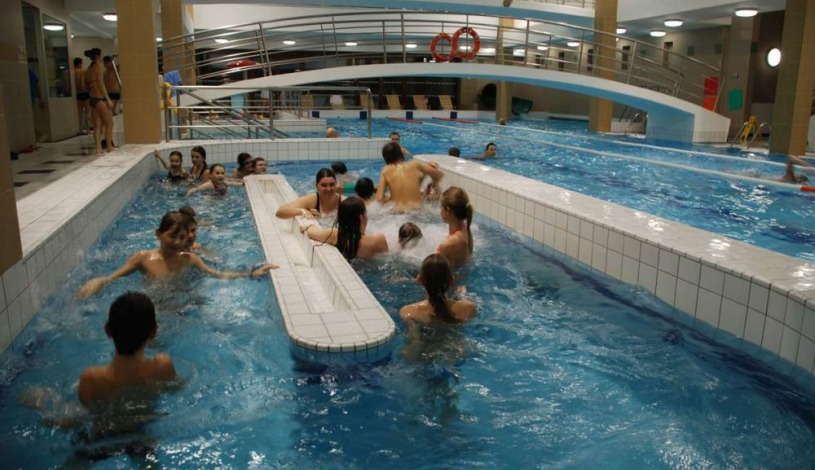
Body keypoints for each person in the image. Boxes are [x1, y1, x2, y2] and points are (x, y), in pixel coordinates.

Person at [76, 210, 277, 299]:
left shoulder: (189, 259)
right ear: (158, 234)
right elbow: (112, 278)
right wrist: (97, 282)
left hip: (183, 306)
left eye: (182, 237)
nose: (178, 242)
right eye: (172, 236)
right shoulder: (143, 258)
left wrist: (250, 274)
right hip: (155, 307)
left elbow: (218, 274)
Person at [78, 292, 176, 408]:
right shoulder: (162, 367)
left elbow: (86, 413)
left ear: (107, 329)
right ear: (153, 332)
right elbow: (176, 389)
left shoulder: (91, 380)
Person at [300, 197, 388, 260]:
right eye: (366, 213)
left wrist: (309, 226)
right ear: (361, 218)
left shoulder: (334, 235)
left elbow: (311, 232)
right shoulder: (377, 240)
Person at [399, 254, 476, 325]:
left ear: (419, 280)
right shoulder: (468, 308)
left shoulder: (408, 312)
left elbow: (413, 335)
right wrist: (462, 296)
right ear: (451, 280)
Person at [376, 142, 444, 210]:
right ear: (400, 154)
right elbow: (439, 174)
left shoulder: (386, 171)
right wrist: (434, 183)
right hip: (418, 210)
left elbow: (379, 199)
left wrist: (393, 198)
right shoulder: (415, 164)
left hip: (398, 212)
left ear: (386, 159)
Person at [276, 168, 345, 220]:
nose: (328, 189)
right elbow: (280, 212)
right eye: (324, 185)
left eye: (332, 184)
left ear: (336, 184)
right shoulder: (312, 200)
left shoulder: (344, 201)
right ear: (317, 186)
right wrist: (302, 211)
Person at [85, 48, 114, 155]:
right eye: (101, 55)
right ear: (98, 56)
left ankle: (98, 149)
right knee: (109, 123)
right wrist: (108, 100)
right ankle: (109, 146)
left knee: (97, 126)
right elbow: (101, 85)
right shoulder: (99, 67)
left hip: (92, 99)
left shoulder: (89, 68)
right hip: (100, 99)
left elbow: (85, 85)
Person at [438, 186, 473, 270]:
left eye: (441, 207)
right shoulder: (466, 229)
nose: (440, 211)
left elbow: (437, 274)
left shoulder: (447, 245)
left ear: (447, 211)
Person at [73, 57, 90, 134]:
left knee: (79, 112)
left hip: (77, 93)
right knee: (87, 111)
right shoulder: (83, 71)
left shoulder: (71, 72)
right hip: (84, 92)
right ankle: (88, 128)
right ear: (80, 64)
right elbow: (84, 83)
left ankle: (79, 129)